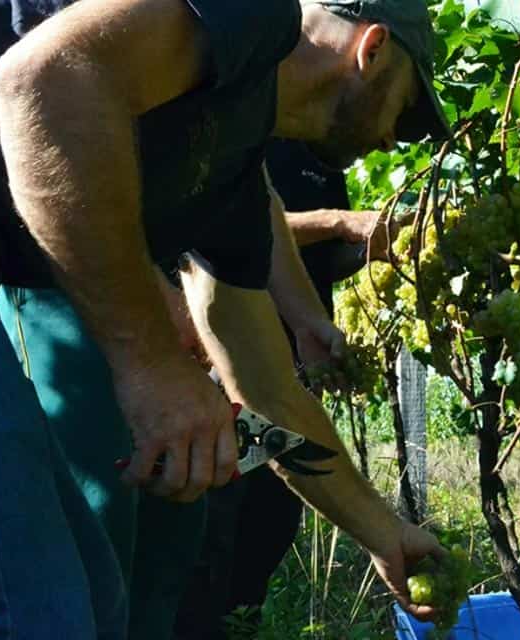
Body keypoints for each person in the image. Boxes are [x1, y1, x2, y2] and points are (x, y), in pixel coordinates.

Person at [0, 0, 450, 637]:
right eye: (404, 112)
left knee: (95, 603)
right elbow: (39, 78)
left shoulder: (229, 179)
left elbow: (266, 388)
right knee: (22, 610)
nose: (392, 140)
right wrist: (152, 364)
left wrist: (385, 535)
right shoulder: (258, 15)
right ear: (372, 48)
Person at [173, 137, 404, 638]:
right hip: (229, 372)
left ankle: (239, 623)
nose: (383, 137)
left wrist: (366, 251)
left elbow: (316, 261)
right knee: (215, 526)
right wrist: (337, 221)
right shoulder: (250, 132)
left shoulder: (323, 156)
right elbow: (228, 230)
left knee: (272, 519)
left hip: (293, 377)